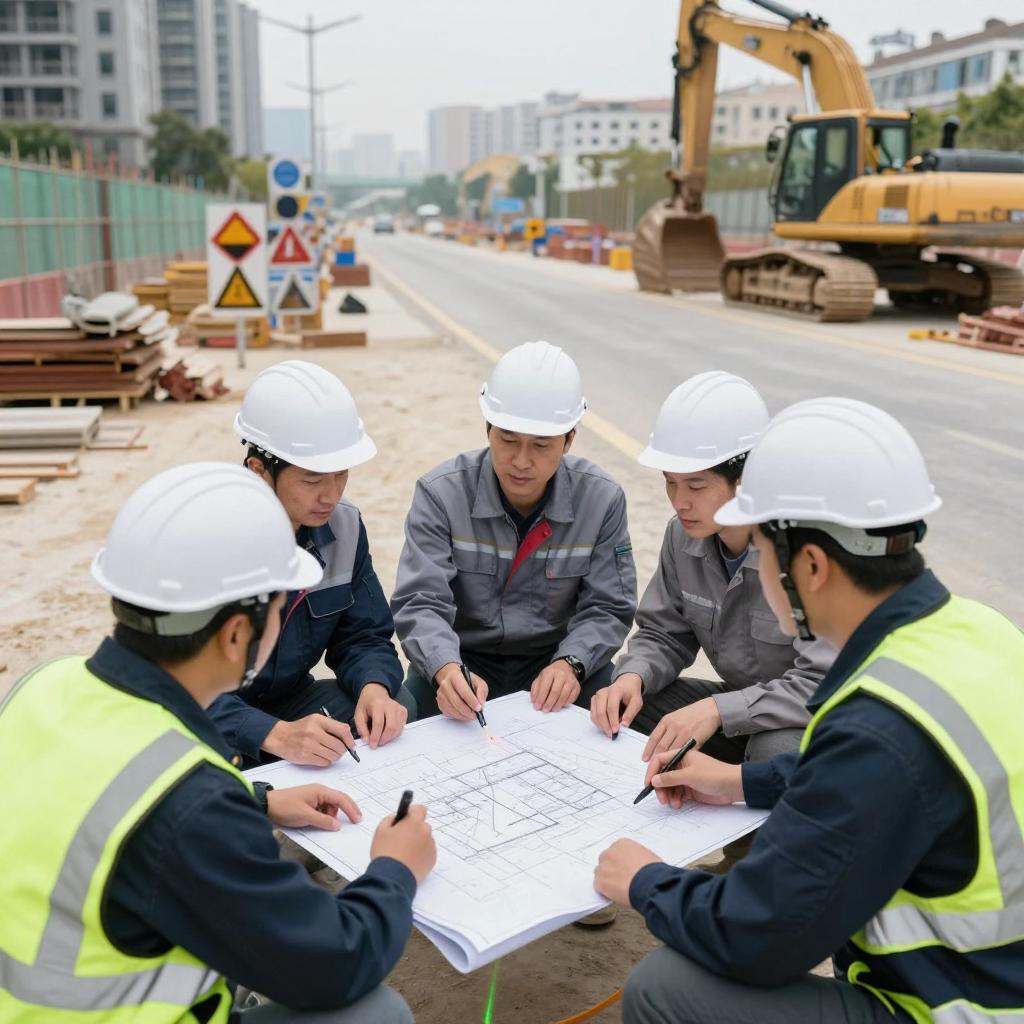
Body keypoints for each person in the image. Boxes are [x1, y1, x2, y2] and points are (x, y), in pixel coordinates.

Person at [593, 398, 1024, 1024]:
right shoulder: (982, 631)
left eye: (765, 554)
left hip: (963, 1008)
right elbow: (886, 785)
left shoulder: (879, 722)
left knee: (665, 987)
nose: (758, 571)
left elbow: (758, 937)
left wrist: (645, 881)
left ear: (812, 566)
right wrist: (736, 781)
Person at [0, 463, 435, 1023]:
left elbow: (97, 805)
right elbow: (337, 960)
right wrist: (395, 869)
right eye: (280, 606)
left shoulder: (42, 683)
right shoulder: (191, 802)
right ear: (236, 633)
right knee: (376, 1013)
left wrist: (259, 801)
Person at [589, 372, 833, 772]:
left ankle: (754, 823)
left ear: (744, 480)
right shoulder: (681, 536)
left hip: (803, 724)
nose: (679, 503)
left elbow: (823, 681)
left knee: (776, 752)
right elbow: (664, 633)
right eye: (671, 484)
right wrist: (632, 677)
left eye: (696, 487)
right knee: (614, 701)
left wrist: (718, 710)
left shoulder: (802, 551)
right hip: (736, 711)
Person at [391, 340, 637, 721]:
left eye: (541, 445)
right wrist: (444, 668)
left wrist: (572, 663)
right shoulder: (440, 494)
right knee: (404, 723)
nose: (521, 461)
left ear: (569, 439)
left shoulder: (601, 501)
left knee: (612, 720)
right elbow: (420, 601)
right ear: (487, 428)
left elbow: (608, 606)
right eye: (507, 440)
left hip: (556, 663)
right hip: (462, 662)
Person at [209, 361, 412, 769]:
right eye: (312, 479)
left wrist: (374, 687)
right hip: (214, 715)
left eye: (341, 475)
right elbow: (177, 686)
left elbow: (365, 635)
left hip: (292, 699)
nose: (330, 495)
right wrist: (274, 735)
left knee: (396, 706)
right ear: (260, 471)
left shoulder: (346, 527)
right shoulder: (206, 540)